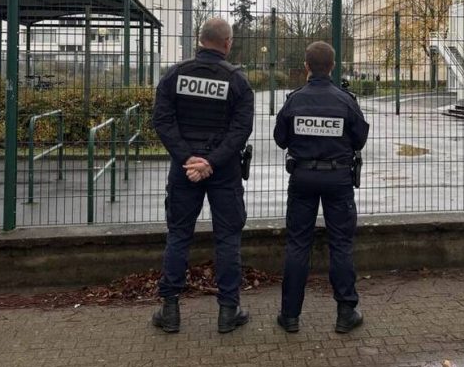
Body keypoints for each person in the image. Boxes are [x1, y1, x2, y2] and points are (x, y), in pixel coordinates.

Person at [150, 17, 254, 334]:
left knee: (179, 235)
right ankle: (227, 310)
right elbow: (240, 130)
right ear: (227, 43)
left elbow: (162, 121)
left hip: (185, 171)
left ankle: (170, 311)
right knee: (227, 237)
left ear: (199, 39)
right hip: (224, 171)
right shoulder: (237, 81)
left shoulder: (175, 75)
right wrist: (212, 161)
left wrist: (188, 158)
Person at [273, 42, 370, 334]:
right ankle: (345, 313)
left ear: (306, 66)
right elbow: (359, 140)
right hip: (338, 179)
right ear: (332, 66)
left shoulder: (294, 100)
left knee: (298, 244)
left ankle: (290, 316)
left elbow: (280, 138)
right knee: (340, 244)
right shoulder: (346, 101)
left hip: (302, 178)